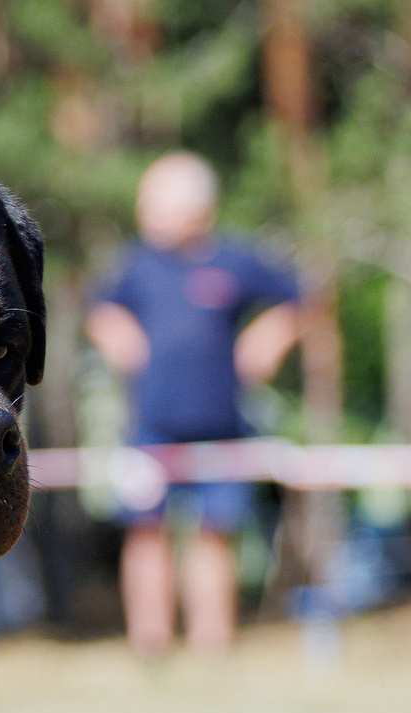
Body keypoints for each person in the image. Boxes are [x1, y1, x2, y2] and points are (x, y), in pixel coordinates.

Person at [85, 152, 303, 655]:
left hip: (221, 426)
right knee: (145, 532)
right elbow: (99, 308)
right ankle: (151, 643)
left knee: (214, 534)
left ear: (198, 208)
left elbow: (301, 299)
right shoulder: (135, 265)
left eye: (157, 199)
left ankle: (212, 642)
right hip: (151, 427)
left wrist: (269, 337)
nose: (146, 209)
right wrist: (115, 333)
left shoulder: (236, 260)